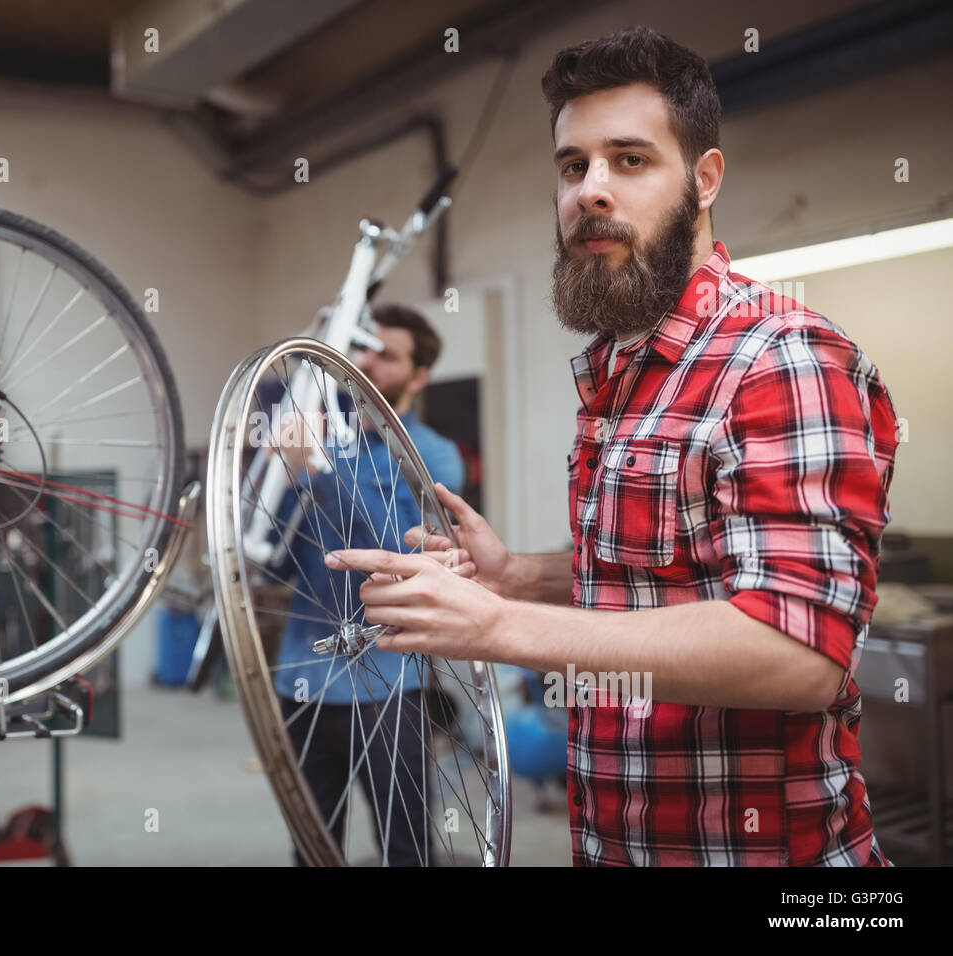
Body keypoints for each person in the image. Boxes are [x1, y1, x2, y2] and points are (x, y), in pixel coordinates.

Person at [326, 26, 898, 867]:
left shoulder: (783, 357)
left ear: (704, 180)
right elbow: (668, 570)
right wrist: (519, 575)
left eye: (630, 160)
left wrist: (502, 625)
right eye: (572, 165)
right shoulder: (621, 370)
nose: (591, 189)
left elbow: (798, 652)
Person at [268, 303, 464, 866]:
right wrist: (281, 477)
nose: (369, 362)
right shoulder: (322, 440)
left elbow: (399, 556)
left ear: (418, 375)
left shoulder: (434, 458)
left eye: (389, 355)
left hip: (388, 687)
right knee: (311, 847)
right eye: (365, 347)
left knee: (405, 849)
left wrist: (321, 471)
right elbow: (278, 566)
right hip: (301, 680)